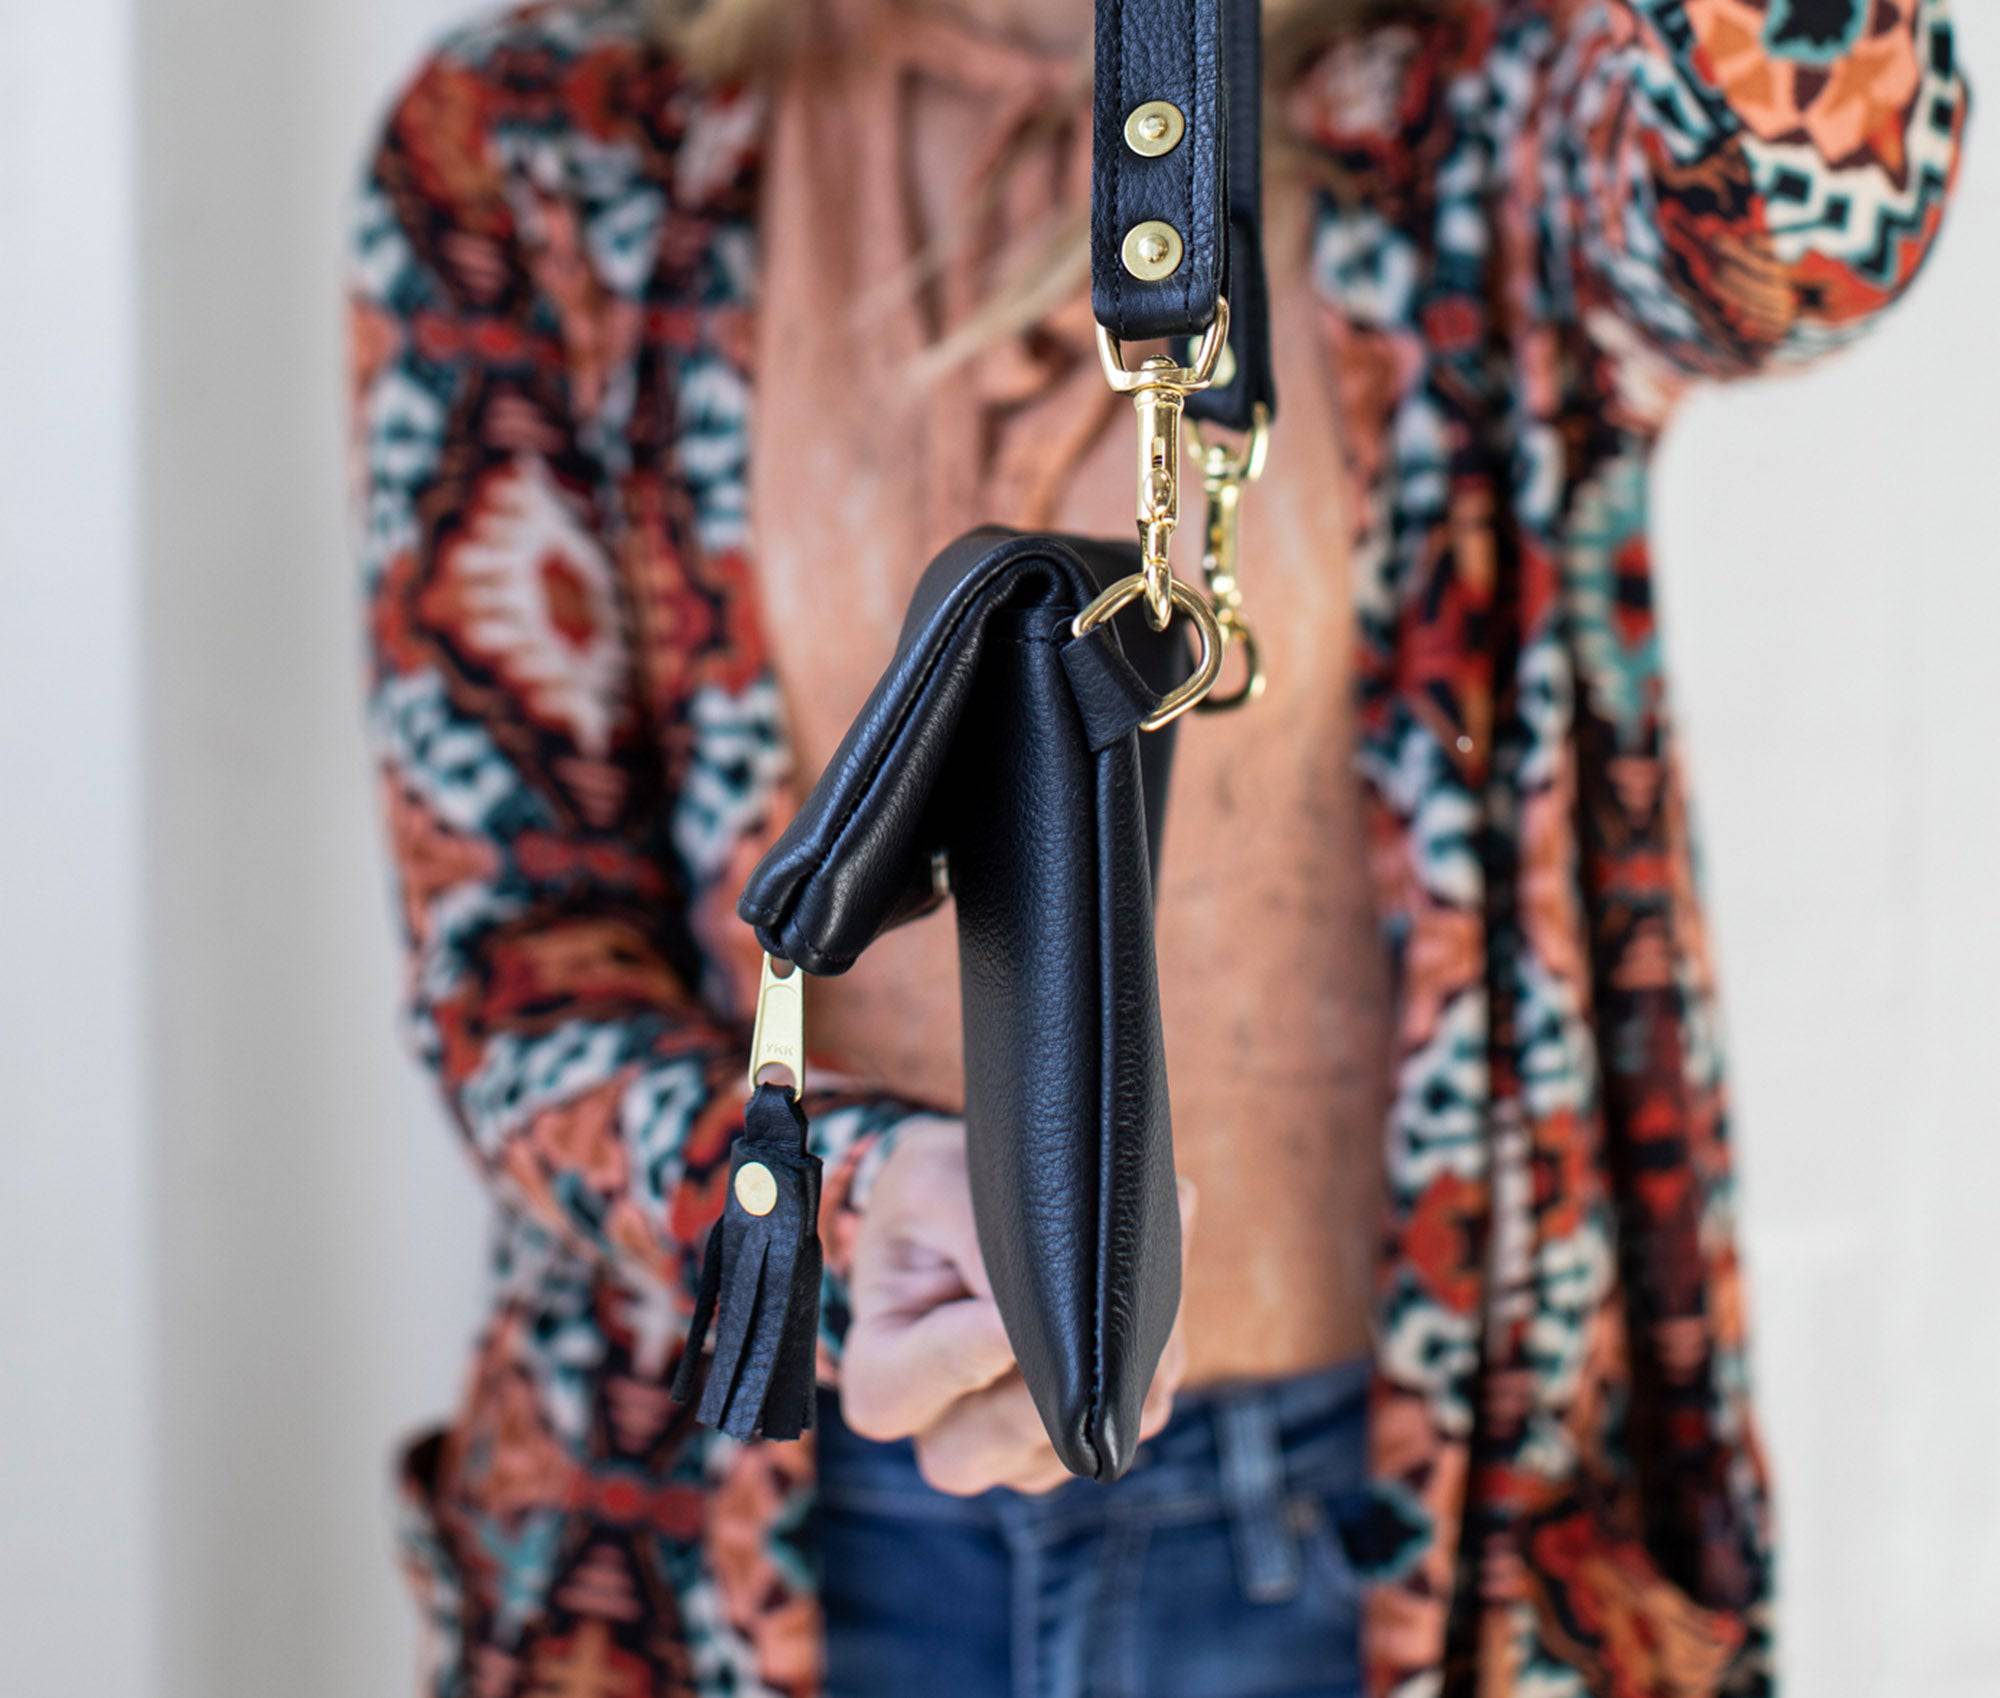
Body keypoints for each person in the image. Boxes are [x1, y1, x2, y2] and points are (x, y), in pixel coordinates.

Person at [348, 1, 1966, 1693]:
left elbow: (1820, 220)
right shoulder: (546, 146)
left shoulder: (1468, 93)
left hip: (1390, 1524)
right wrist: (848, 1215)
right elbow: (514, 963)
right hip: (748, 1530)